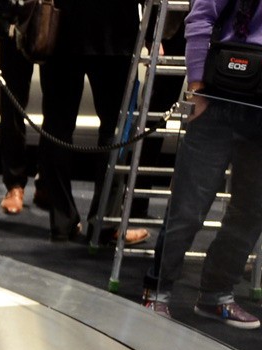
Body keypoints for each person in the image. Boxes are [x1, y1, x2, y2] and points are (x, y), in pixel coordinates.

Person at [141, 0, 262, 328]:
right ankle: (157, 291)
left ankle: (216, 294)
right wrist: (197, 87)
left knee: (251, 211)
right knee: (188, 207)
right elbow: (200, 18)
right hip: (218, 97)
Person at [37, 0, 147, 244]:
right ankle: (104, 224)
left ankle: (62, 222)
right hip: (115, 33)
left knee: (56, 127)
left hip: (62, 28)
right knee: (115, 130)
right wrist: (153, 34)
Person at [0, 26, 36, 215]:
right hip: (16, 22)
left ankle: (48, 184)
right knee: (11, 106)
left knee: (57, 111)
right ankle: (14, 185)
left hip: (57, 21)